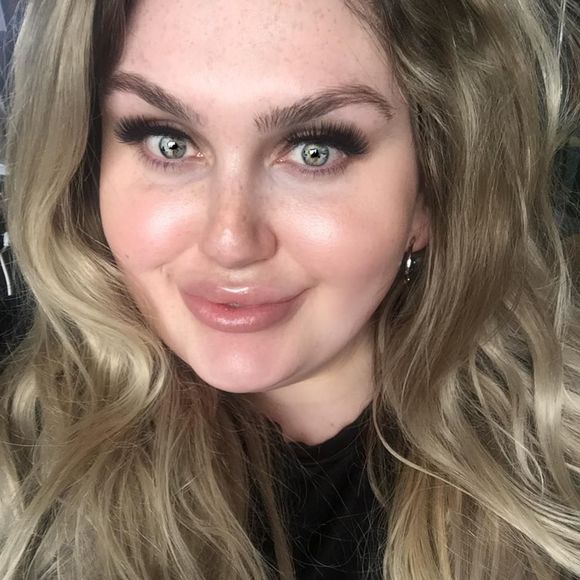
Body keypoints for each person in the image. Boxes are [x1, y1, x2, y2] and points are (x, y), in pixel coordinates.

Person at [0, 0, 579, 578]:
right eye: (168, 142)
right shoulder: (23, 468)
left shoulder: (558, 467)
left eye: (313, 151)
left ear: (430, 191)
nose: (230, 242)